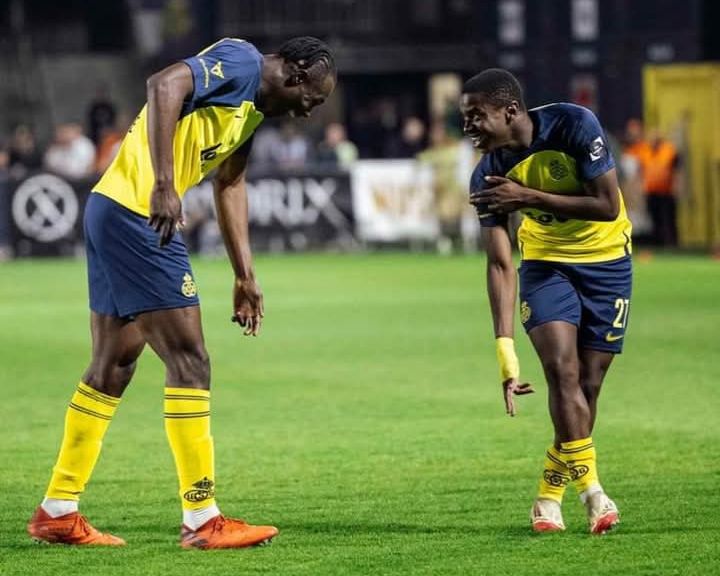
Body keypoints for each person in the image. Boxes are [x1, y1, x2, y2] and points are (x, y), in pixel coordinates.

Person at [28, 36, 336, 549]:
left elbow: (229, 184)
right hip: (139, 214)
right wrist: (165, 184)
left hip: (113, 209)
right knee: (191, 361)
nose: (310, 111)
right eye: (314, 98)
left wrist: (245, 275)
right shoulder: (241, 62)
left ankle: (58, 509)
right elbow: (163, 84)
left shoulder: (251, 112)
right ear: (297, 73)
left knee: (113, 365)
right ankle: (201, 518)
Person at [460, 69, 632, 535]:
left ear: (510, 111)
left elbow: (607, 205)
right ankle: (594, 494)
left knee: (587, 388)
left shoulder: (574, 125)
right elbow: (500, 265)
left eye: (476, 115)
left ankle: (548, 495)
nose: (468, 126)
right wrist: (505, 351)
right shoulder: (486, 174)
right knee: (562, 371)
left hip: (608, 263)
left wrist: (527, 197)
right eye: (465, 117)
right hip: (546, 265)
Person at [624, 120, 681, 247]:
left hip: (667, 191)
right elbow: (640, 171)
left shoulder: (669, 150)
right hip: (651, 191)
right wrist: (638, 188)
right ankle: (658, 244)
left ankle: (672, 244)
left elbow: (676, 170)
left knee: (669, 219)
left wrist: (677, 187)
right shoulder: (644, 151)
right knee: (655, 220)